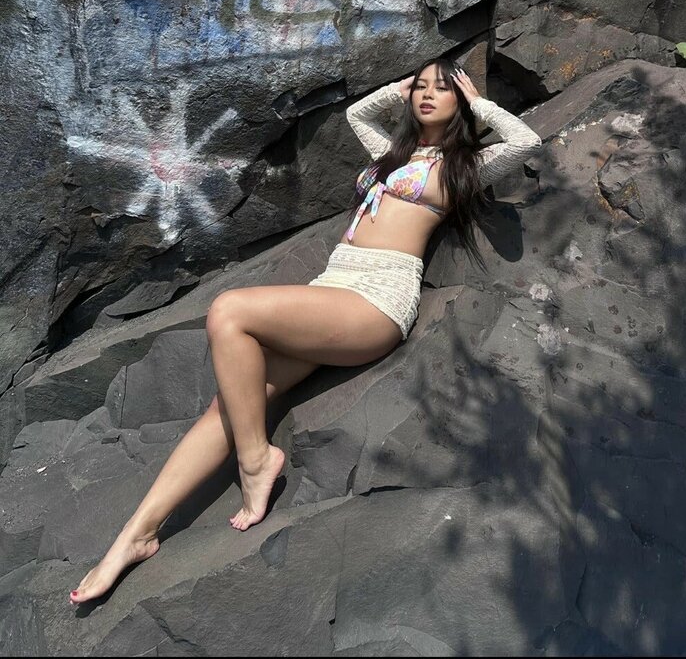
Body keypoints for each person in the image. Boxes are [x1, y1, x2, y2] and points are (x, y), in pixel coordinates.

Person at [68, 58, 542, 604]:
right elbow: (359, 114)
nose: (427, 94)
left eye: (442, 87)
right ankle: (135, 536)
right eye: (420, 87)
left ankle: (257, 461)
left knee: (229, 311)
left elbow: (525, 141)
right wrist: (395, 87)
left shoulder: (464, 166)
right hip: (330, 290)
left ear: (461, 97)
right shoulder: (394, 155)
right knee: (229, 405)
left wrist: (478, 104)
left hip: (374, 301)